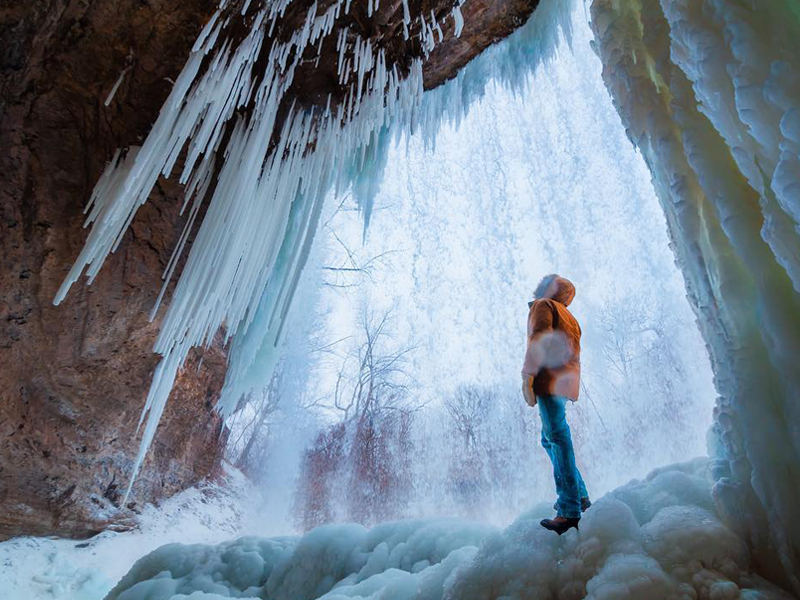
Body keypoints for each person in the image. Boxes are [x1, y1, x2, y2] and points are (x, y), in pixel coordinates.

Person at [521, 274, 590, 534]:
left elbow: (539, 338)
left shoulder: (543, 305)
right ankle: (580, 496)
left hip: (549, 379)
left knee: (557, 438)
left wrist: (528, 375)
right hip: (565, 382)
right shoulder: (570, 317)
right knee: (550, 438)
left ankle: (569, 509)